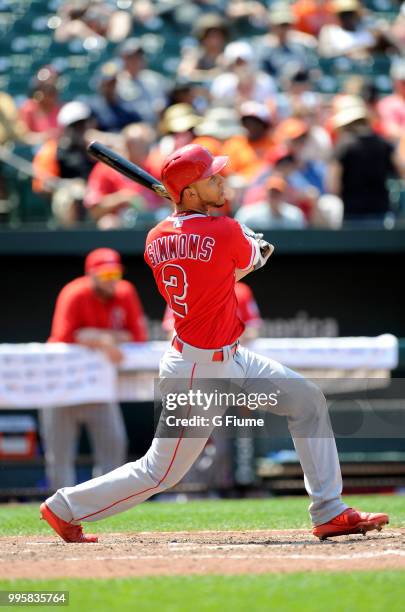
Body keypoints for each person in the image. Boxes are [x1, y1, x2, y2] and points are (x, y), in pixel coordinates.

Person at [40, 144, 388, 543]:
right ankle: (64, 506)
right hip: (197, 372)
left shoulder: (156, 237)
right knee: (162, 471)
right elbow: (250, 258)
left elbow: (215, 263)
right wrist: (255, 246)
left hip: (230, 357)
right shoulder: (223, 230)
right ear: (188, 192)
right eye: (211, 178)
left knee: (307, 400)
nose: (221, 180)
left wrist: (238, 240)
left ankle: (329, 510)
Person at [40, 248, 148, 491]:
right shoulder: (75, 292)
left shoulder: (125, 292)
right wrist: (104, 341)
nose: (111, 281)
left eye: (115, 274)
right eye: (105, 274)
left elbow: (139, 336)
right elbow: (63, 337)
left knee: (114, 446)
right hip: (62, 387)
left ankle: (104, 505)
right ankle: (61, 512)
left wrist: (95, 337)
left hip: (98, 387)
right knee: (59, 456)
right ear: (92, 274)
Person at [328, 98, 401, 222]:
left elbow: (333, 185)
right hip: (381, 211)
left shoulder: (343, 145)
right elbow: (400, 170)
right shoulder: (384, 144)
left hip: (352, 212)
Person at [84, 123, 164, 229]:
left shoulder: (156, 164)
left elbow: (170, 202)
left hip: (152, 220)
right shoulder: (107, 167)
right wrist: (122, 198)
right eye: (138, 145)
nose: (145, 150)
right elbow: (94, 209)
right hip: (121, 223)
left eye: (146, 145)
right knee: (107, 223)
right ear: (126, 146)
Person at [32, 101, 95, 226]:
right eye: (76, 126)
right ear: (66, 128)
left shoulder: (92, 149)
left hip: (92, 193)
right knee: (66, 197)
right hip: (66, 194)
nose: (80, 130)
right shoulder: (52, 150)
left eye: (83, 125)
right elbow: (43, 185)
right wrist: (69, 185)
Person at [235, 174, 307, 229]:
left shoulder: (295, 215)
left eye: (278, 193)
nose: (274, 196)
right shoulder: (248, 214)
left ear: (284, 195)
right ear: (266, 193)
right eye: (272, 193)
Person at [89, 62, 142, 133]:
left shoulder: (126, 106)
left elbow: (139, 127)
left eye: (113, 82)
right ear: (100, 84)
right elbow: (88, 134)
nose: (110, 86)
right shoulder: (92, 106)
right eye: (107, 83)